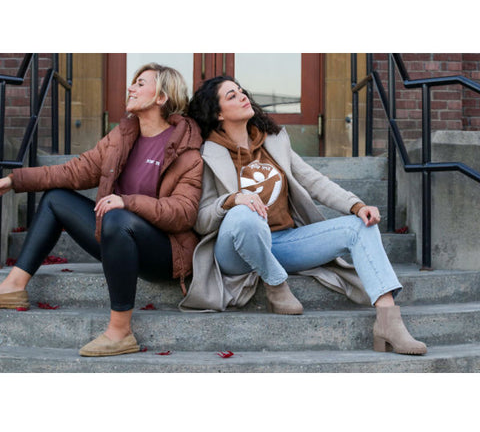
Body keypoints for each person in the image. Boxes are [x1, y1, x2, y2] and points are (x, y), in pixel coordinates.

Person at [180, 75, 427, 356]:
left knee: (359, 227)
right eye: (231, 96)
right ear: (218, 113)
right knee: (244, 214)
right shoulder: (207, 155)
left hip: (284, 243)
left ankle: (388, 323)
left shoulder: (273, 141)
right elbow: (200, 220)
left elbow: (314, 180)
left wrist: (356, 206)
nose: (242, 96)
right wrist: (232, 200)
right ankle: (275, 282)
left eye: (241, 91)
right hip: (235, 250)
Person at [0, 63, 203, 357]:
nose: (130, 88)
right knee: (57, 197)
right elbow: (73, 172)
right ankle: (13, 286)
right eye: (132, 82)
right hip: (117, 235)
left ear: (161, 97)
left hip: (164, 252)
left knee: (118, 216)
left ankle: (120, 332)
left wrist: (128, 202)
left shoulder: (187, 151)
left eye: (140, 83)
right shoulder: (122, 137)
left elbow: (183, 213)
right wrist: (13, 180)